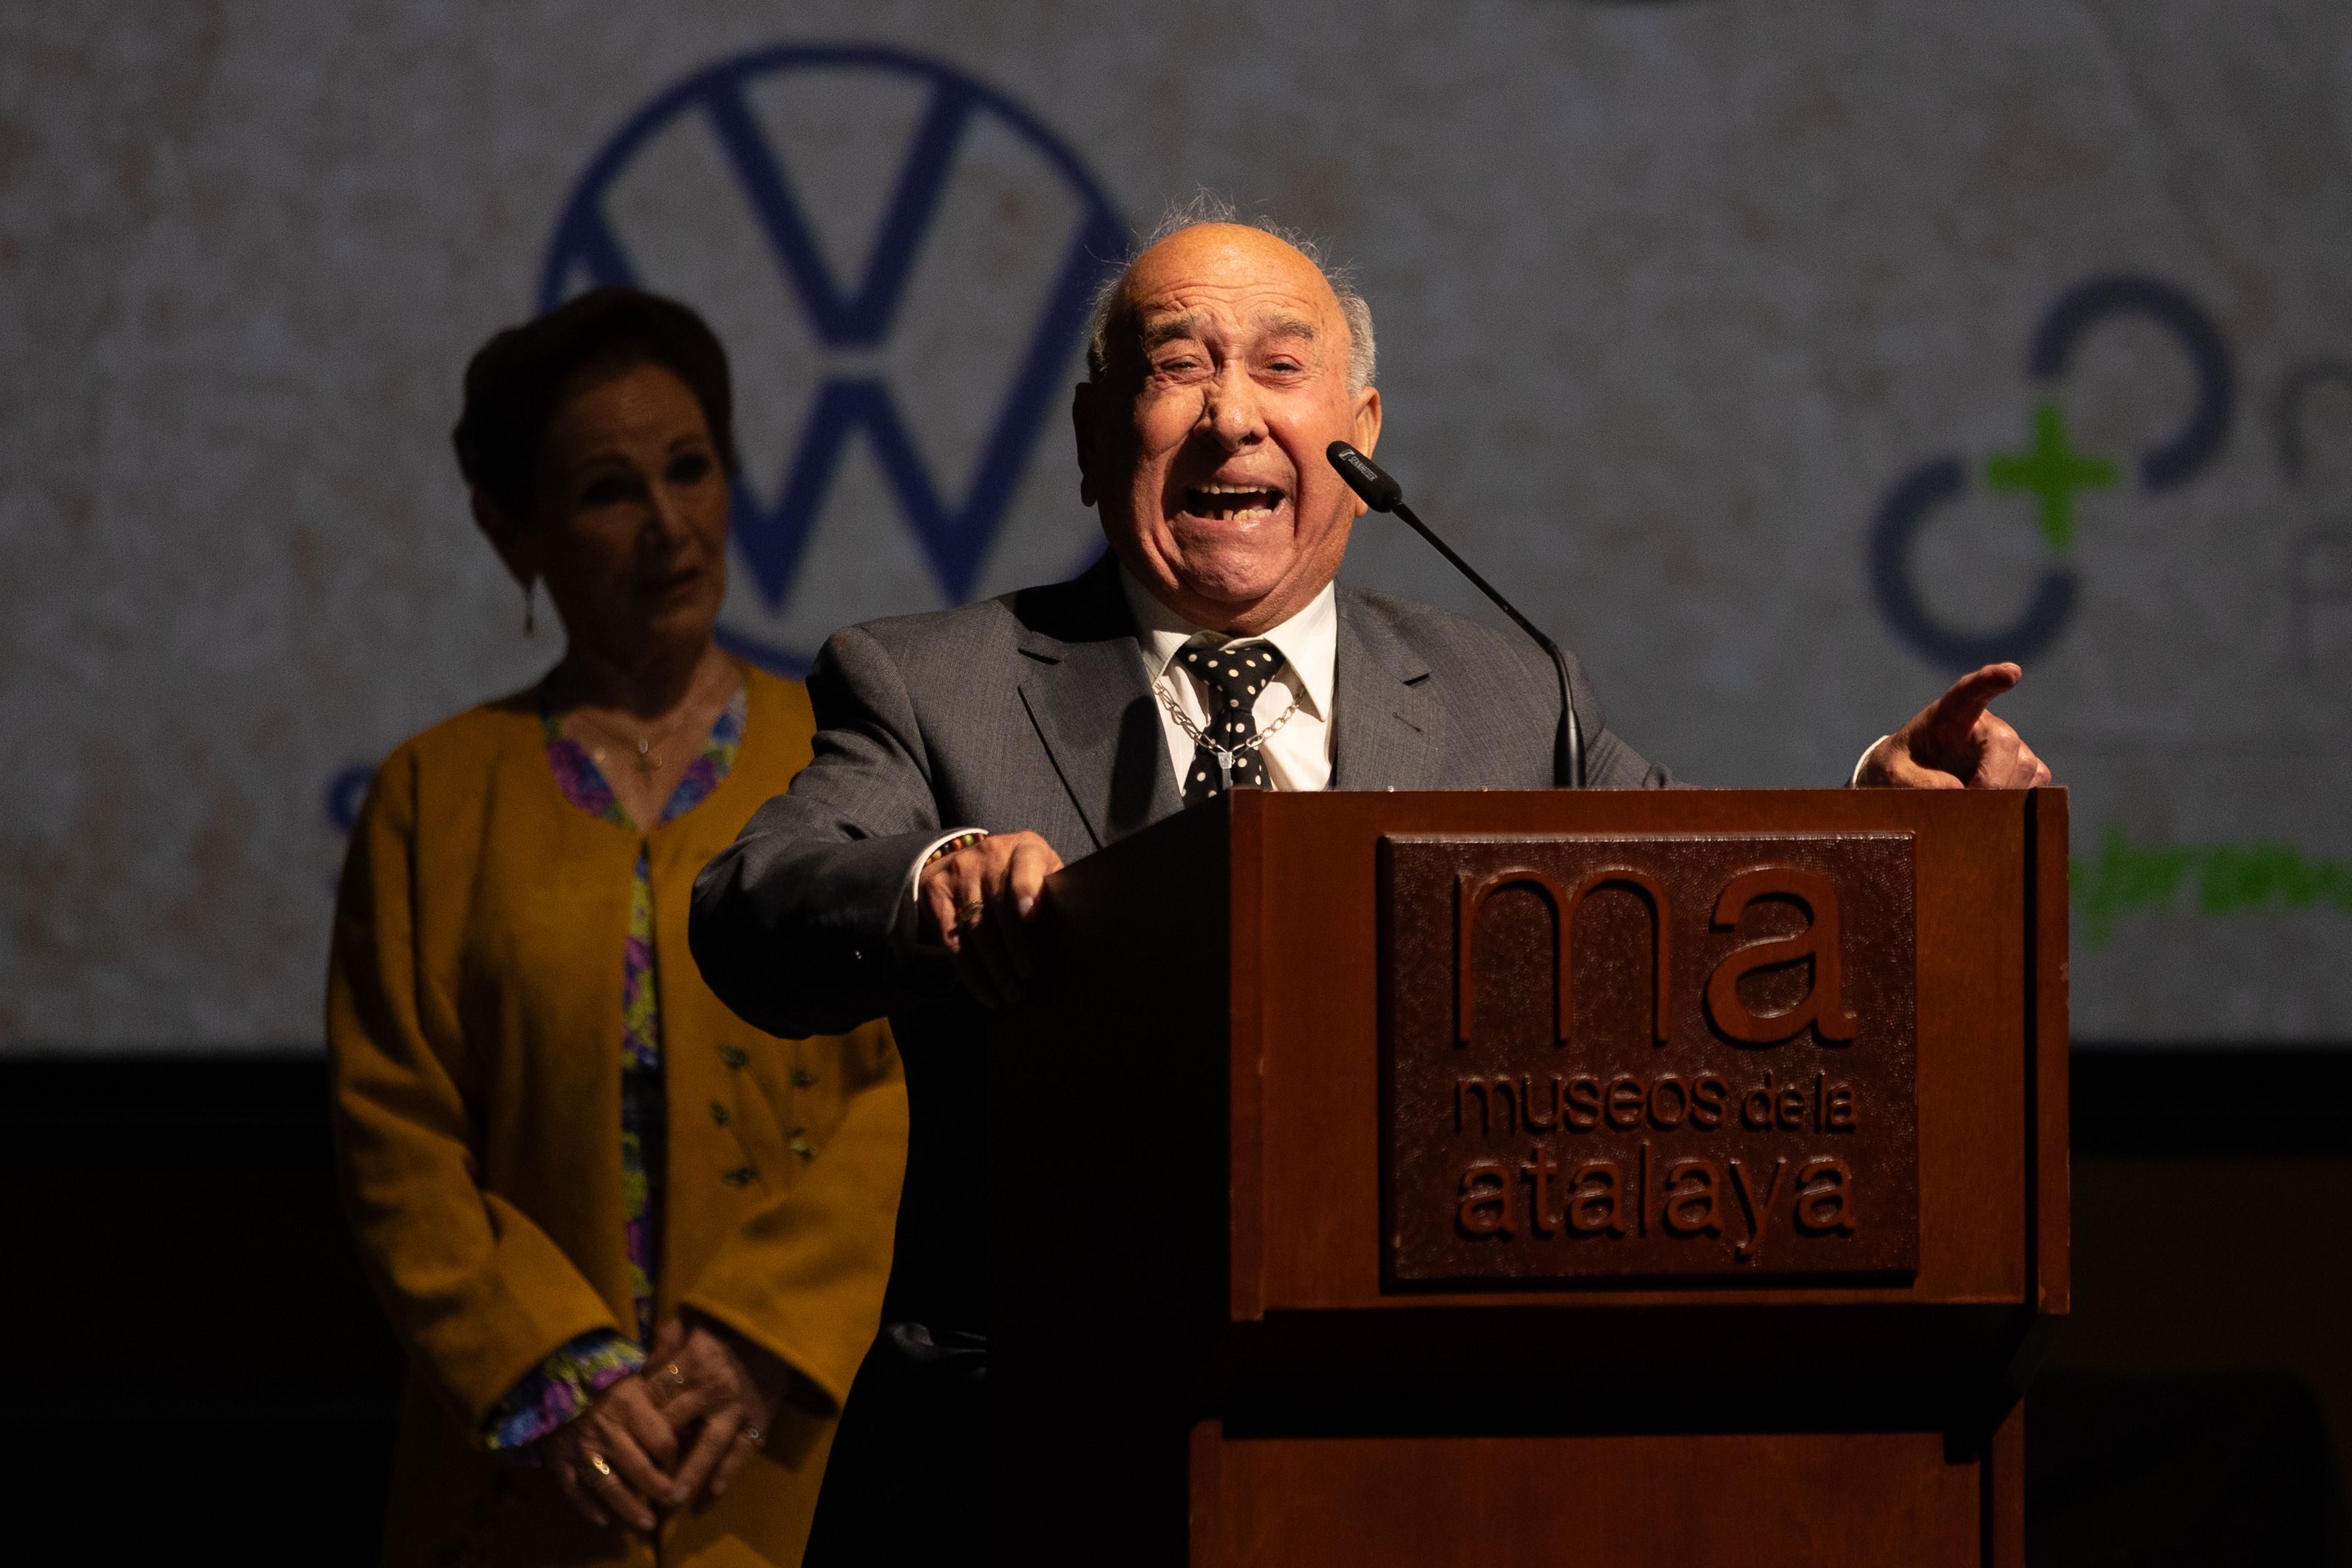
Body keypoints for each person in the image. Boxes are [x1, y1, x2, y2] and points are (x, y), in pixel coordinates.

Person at [686, 208, 2051, 1557]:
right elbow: (755, 899)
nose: (1231, 416)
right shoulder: (933, 683)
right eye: (1177, 366)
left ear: (1362, 435)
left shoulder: (1513, 694)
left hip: (1419, 1465)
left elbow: (1705, 894)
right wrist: (935, 882)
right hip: (1024, 1462)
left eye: (1281, 368)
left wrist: (1885, 816)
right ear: (1095, 438)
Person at [328, 288, 907, 1568]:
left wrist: (761, 1327)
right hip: (524, 1485)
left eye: (690, 469)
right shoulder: (434, 796)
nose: (667, 526)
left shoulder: (845, 761)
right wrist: (555, 1375)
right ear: (512, 531)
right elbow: (397, 1140)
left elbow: (909, 1087)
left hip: (792, 1449)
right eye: (606, 490)